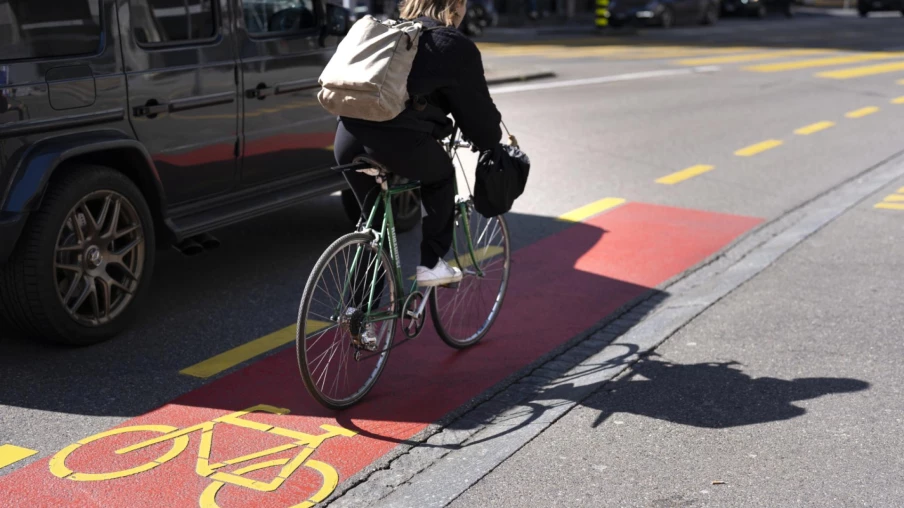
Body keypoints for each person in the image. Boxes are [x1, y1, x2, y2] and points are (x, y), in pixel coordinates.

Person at [333, 0, 503, 287]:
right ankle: (432, 263)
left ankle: (359, 317)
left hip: (346, 136)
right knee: (441, 176)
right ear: (456, 6)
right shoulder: (450, 43)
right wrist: (490, 142)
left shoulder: (386, 33)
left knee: (373, 226)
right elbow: (480, 117)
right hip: (396, 141)